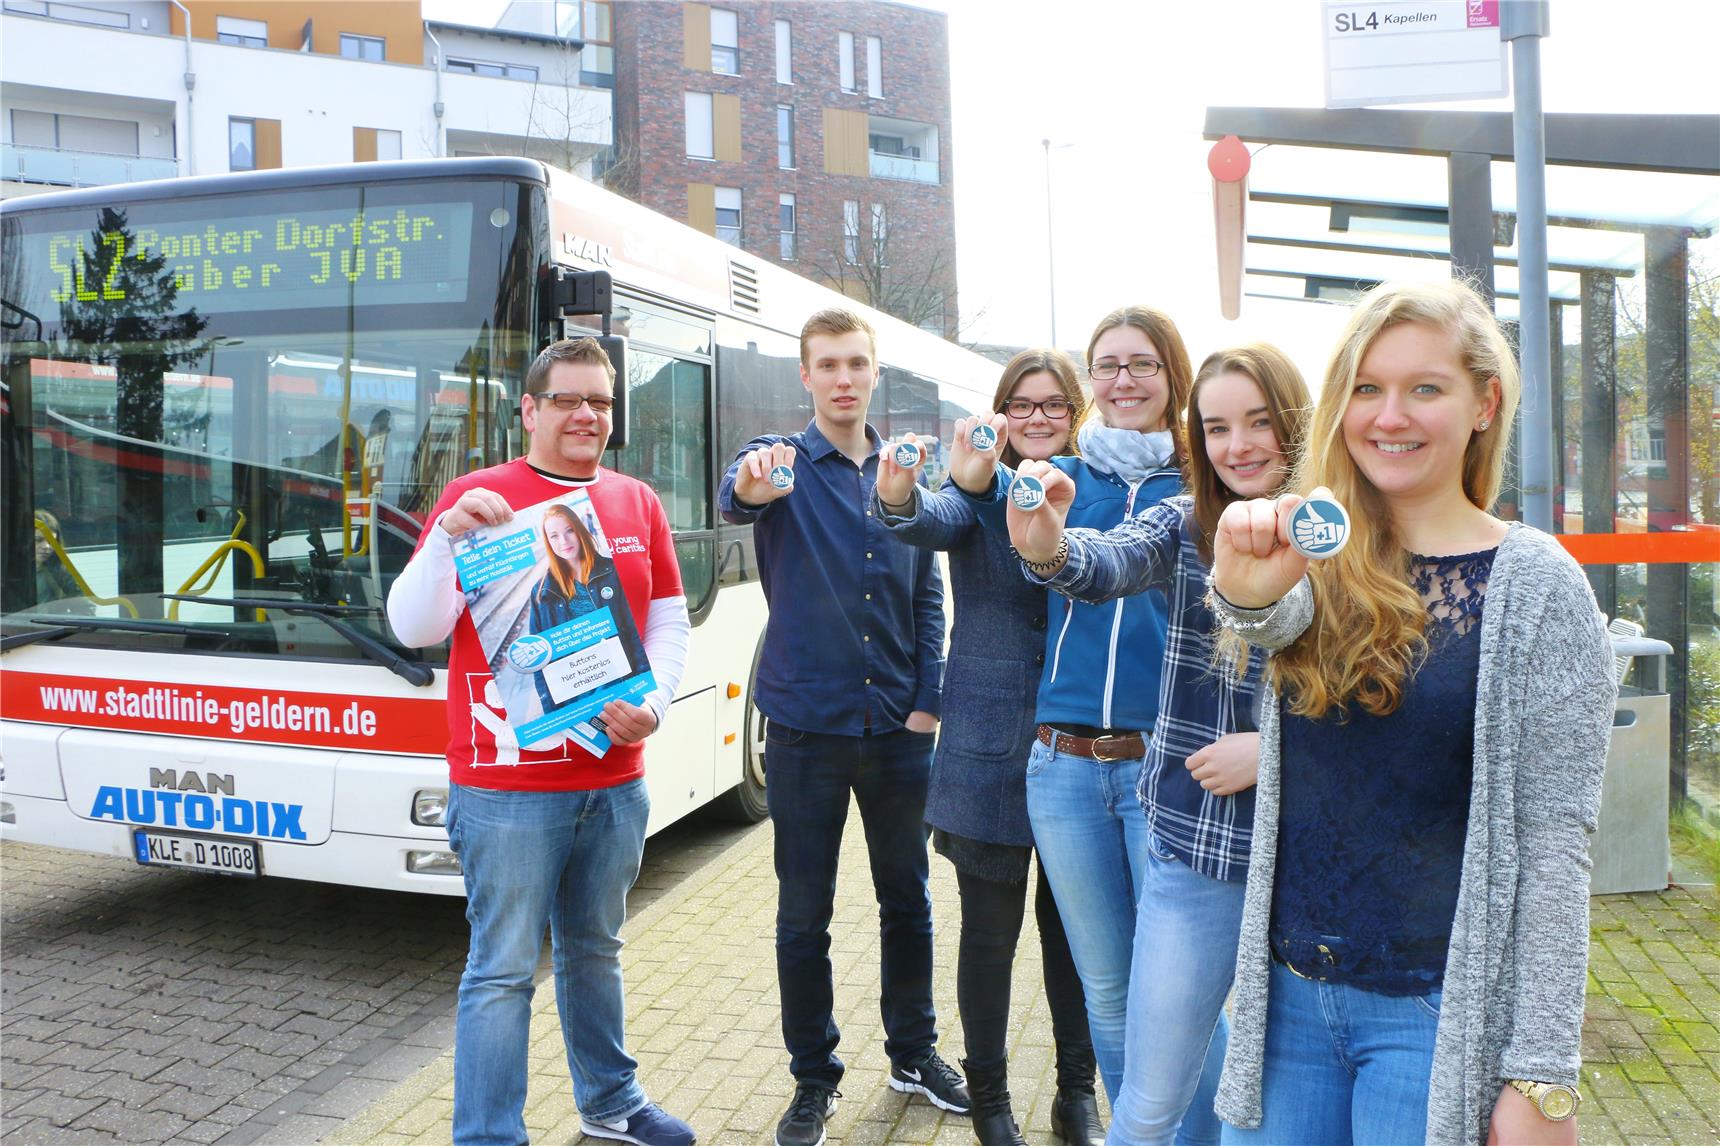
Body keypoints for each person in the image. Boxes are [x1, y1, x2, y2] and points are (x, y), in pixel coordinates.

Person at [1205, 280, 1615, 1145]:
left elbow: (1556, 842)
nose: (1390, 415)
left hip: (1434, 1016)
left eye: (1425, 388)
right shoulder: (1317, 551)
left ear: (1483, 403)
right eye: (1367, 387)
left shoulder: (1538, 587)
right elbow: (1267, 621)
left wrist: (1542, 1077)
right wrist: (1241, 594)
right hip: (1287, 1001)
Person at [387, 337, 697, 1146]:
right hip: (506, 787)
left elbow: (668, 615)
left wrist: (656, 704)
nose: (587, 414)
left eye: (600, 400)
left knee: (597, 950)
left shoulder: (636, 501)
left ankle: (613, 1107)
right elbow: (413, 625)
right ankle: (489, 1136)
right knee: (500, 972)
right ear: (529, 410)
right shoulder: (477, 497)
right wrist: (448, 537)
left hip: (614, 778)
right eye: (568, 399)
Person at [1003, 345, 1311, 1146]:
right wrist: (1046, 544)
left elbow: (1383, 703)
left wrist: (1271, 751)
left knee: (1281, 1079)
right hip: (1196, 837)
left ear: (1299, 423)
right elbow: (1106, 562)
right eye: (1217, 428)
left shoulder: (1338, 532)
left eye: (1258, 423)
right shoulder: (1185, 519)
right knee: (1145, 1099)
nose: (1238, 445)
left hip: (1312, 852)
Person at [718, 307, 966, 1146]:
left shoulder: (905, 473)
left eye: (856, 362)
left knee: (909, 899)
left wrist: (929, 697)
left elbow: (930, 594)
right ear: (806, 376)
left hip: (899, 728)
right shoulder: (784, 465)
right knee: (804, 914)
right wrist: (750, 481)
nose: (843, 378)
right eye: (827, 364)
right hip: (803, 732)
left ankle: (913, 1052)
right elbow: (738, 491)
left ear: (873, 372)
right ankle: (813, 1079)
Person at [946, 306, 1201, 1124]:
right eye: (1109, 366)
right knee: (1109, 987)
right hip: (1060, 762)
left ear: (1173, 376)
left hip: (1163, 761)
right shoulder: (1063, 475)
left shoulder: (1205, 484)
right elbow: (957, 512)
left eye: (1143, 364)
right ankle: (1127, 1126)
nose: (1124, 381)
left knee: (1180, 984)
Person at [874, 349, 1105, 1146]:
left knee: (1076, 936)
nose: (1037, 419)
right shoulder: (979, 488)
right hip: (988, 751)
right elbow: (921, 519)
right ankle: (991, 1101)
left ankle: (1077, 1094)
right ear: (1000, 414)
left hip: (1083, 747)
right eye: (1022, 405)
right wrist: (899, 488)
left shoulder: (1099, 494)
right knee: (989, 935)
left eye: (1053, 406)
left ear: (1077, 414)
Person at [527, 504, 647, 712]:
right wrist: (552, 712)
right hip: (575, 703)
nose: (563, 541)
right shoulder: (542, 592)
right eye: (554, 536)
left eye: (569, 531)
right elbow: (539, 662)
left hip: (622, 689)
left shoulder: (612, 572)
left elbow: (633, 634)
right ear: (548, 542)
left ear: (579, 530)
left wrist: (643, 692)